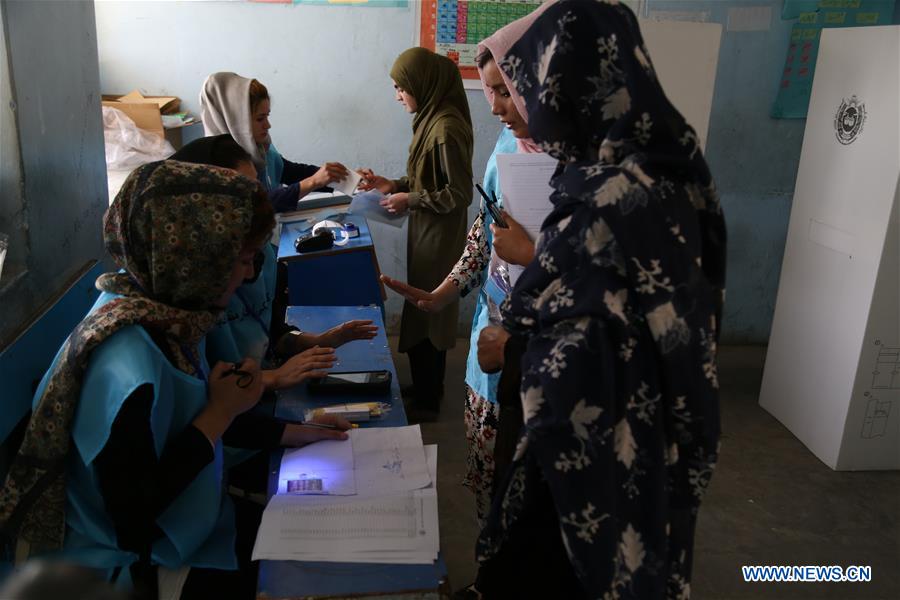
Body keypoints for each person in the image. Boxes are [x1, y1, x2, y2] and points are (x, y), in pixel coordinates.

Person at [0, 162, 352, 600]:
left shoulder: (165, 314)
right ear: (193, 260)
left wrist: (299, 433)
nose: (248, 274)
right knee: (310, 571)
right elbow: (133, 520)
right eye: (241, 260)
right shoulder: (126, 368)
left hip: (189, 511)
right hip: (126, 565)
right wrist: (221, 412)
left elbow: (199, 412)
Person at [474, 2, 727, 598]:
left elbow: (571, 376)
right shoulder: (676, 169)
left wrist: (511, 343)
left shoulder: (601, 201)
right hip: (663, 421)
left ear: (567, 88)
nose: (522, 104)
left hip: (598, 451)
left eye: (529, 86)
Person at [378, 5, 553, 526]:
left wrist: (538, 259)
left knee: (536, 503)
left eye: (507, 91)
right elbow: (485, 229)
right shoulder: (507, 143)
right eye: (491, 90)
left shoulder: (601, 170)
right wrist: (444, 292)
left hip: (550, 363)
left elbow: (619, 278)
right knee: (487, 477)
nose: (496, 107)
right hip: (490, 347)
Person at [169, 136, 377, 384]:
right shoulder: (177, 296)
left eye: (258, 192)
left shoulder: (263, 257)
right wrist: (273, 378)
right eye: (240, 198)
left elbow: (274, 333)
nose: (256, 207)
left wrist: (319, 341)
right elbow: (208, 394)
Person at [359, 48, 474, 414]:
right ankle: (424, 388)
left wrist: (412, 200)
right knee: (422, 308)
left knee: (430, 311)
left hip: (439, 237)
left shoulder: (445, 128)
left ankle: (430, 398)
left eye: (400, 87)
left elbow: (458, 194)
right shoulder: (430, 120)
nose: (397, 96)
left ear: (421, 85)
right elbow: (426, 179)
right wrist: (390, 184)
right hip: (426, 230)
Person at [200, 72, 351, 213]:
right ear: (236, 120)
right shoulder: (217, 165)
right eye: (260, 119)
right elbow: (256, 204)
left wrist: (347, 178)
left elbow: (289, 171)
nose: (268, 125)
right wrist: (313, 182)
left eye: (267, 116)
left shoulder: (261, 148)